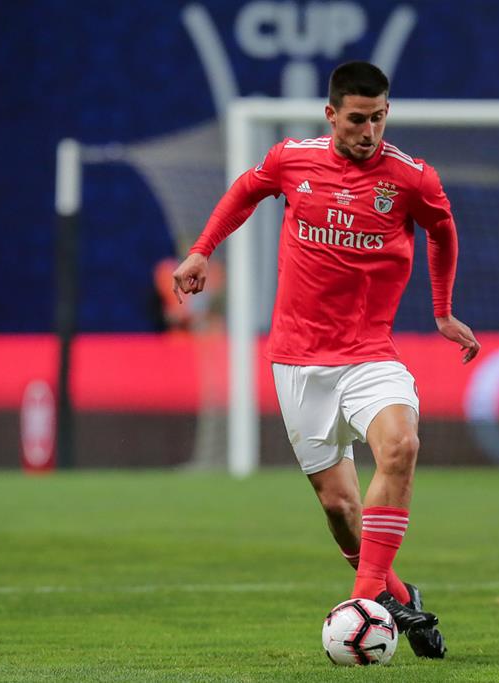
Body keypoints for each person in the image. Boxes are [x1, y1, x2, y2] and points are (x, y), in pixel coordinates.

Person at [172, 61, 479, 659]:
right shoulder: (292, 159)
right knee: (340, 508)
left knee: (401, 446)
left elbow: (443, 231)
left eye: (380, 118)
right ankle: (398, 596)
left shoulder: (412, 178)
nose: (370, 131)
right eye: (358, 119)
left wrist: (442, 312)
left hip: (369, 356)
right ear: (332, 114)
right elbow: (245, 192)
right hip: (298, 362)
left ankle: (364, 599)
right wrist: (202, 250)